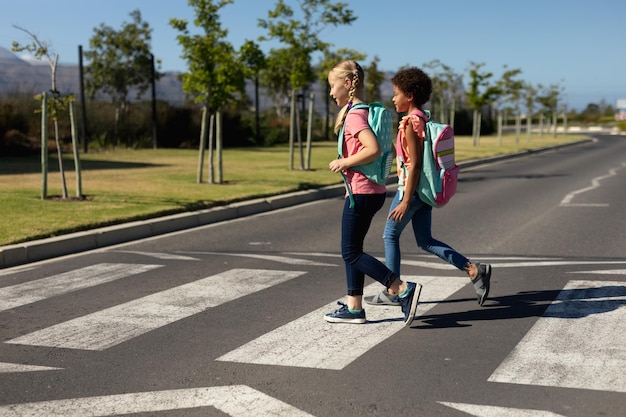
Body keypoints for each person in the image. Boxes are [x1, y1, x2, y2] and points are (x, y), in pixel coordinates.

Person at [365, 67, 492, 309]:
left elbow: (413, 166)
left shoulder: (411, 124)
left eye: (396, 93)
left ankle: (394, 291)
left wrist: (404, 200)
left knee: (390, 235)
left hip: (411, 190)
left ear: (409, 95)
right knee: (425, 240)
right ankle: (474, 270)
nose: (393, 98)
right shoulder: (423, 118)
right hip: (423, 191)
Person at [324, 59, 420, 326]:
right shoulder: (366, 110)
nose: (331, 92)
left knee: (350, 252)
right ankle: (354, 307)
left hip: (361, 191)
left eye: (333, 86)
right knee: (353, 249)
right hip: (371, 190)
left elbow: (373, 149)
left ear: (346, 83)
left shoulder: (354, 115)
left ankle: (400, 288)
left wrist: (343, 162)